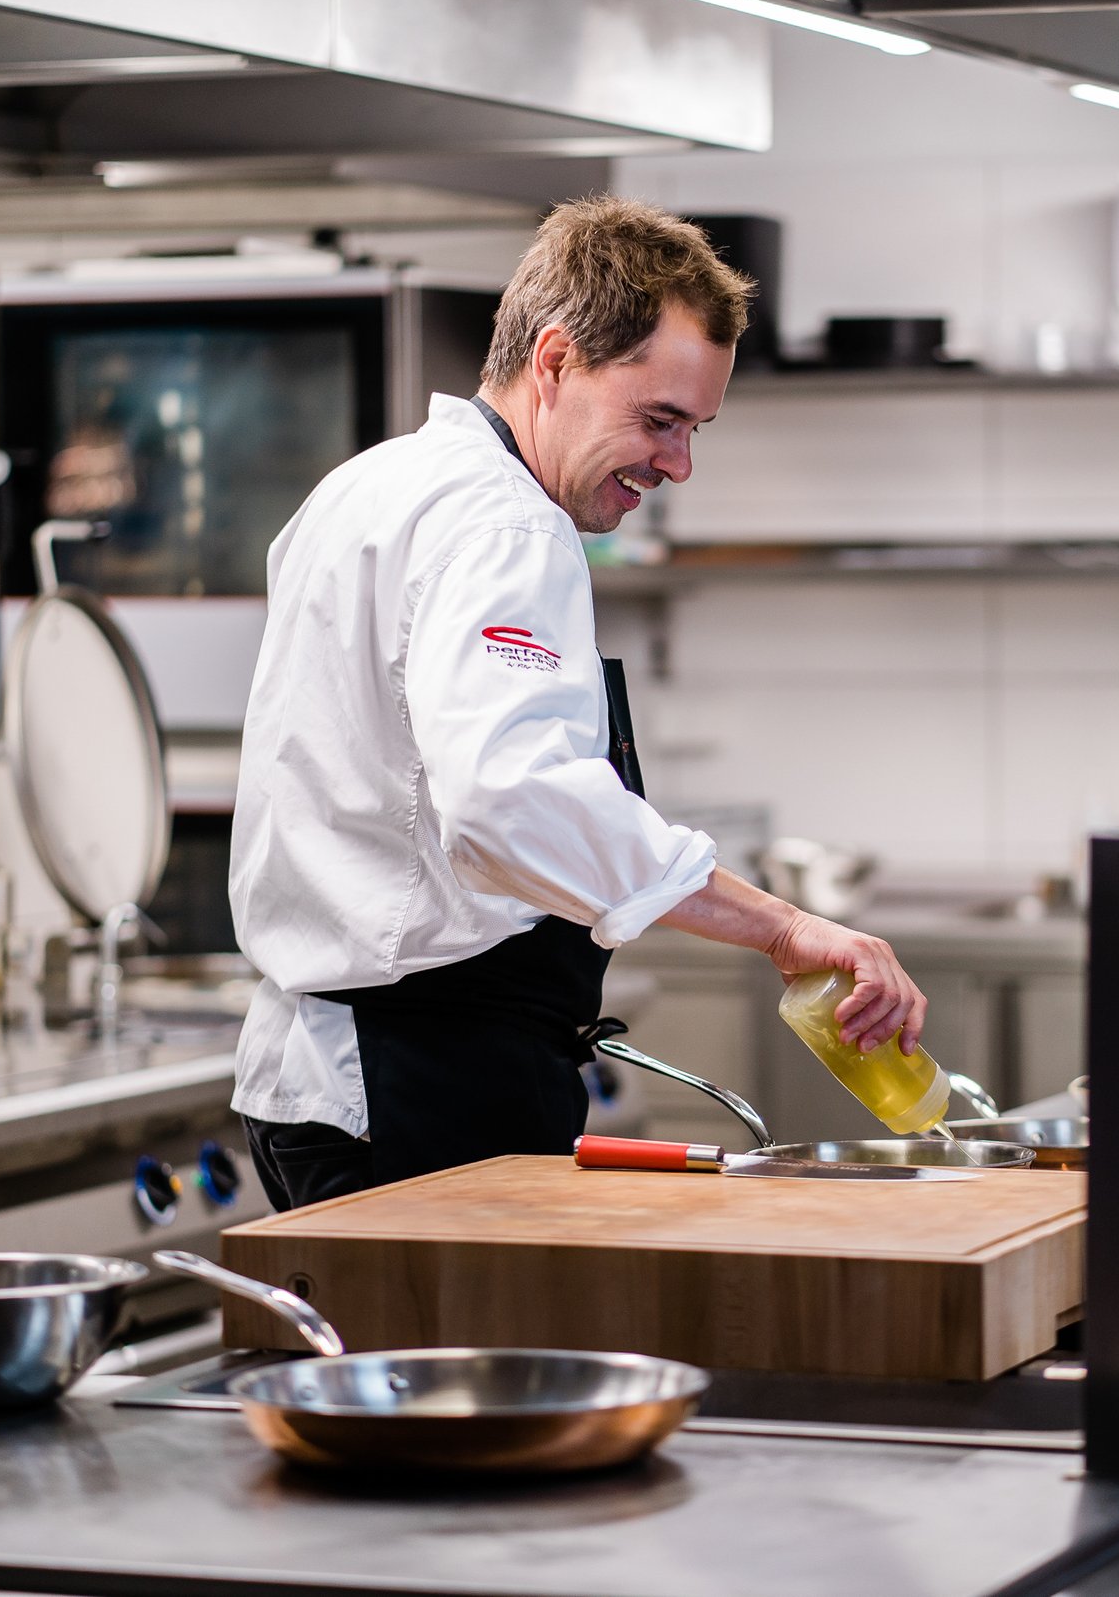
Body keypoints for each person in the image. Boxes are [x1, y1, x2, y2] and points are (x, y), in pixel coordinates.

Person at [228, 195, 928, 1210]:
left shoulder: (368, 488)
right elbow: (512, 798)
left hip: (329, 1076)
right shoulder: (507, 527)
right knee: (461, 1375)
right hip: (419, 1084)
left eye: (695, 429)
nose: (677, 463)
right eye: (659, 419)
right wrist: (779, 928)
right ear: (553, 361)